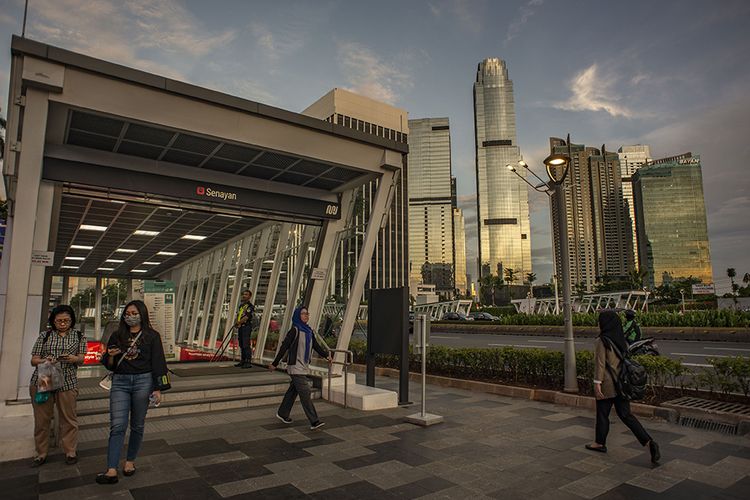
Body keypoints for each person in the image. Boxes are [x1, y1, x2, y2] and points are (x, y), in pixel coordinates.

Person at [96, 300, 171, 484]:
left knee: (137, 425)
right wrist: (110, 357)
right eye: (127, 313)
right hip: (120, 382)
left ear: (142, 314)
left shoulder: (152, 336)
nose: (130, 316)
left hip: (143, 382)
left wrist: (159, 388)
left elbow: (159, 363)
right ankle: (111, 469)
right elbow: (109, 364)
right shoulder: (117, 335)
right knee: (117, 426)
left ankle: (130, 462)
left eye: (134, 313)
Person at [586, 310, 660, 464]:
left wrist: (597, 383)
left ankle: (599, 443)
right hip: (622, 384)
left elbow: (600, 364)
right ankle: (648, 442)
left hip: (608, 384)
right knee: (626, 415)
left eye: (600, 321)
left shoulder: (602, 341)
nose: (598, 323)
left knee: (602, 414)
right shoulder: (621, 339)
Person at [29, 305, 87, 467]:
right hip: (44, 379)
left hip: (68, 381)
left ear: (72, 321)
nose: (62, 323)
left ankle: (70, 451)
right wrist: (45, 361)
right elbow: (33, 360)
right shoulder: (45, 335)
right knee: (42, 419)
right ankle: (41, 453)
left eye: (66, 320)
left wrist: (72, 358)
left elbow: (82, 359)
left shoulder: (79, 335)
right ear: (53, 321)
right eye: (59, 320)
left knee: (69, 418)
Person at [269, 306, 332, 430]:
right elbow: (284, 347)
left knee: (293, 391)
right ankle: (314, 421)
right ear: (298, 315)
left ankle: (282, 413)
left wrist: (326, 356)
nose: (306, 316)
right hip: (295, 367)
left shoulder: (308, 331)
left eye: (307, 314)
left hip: (303, 367)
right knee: (305, 392)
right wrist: (275, 363)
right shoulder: (295, 330)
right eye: (303, 314)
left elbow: (316, 346)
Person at [235, 290, 255, 368]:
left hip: (246, 327)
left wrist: (239, 322)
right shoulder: (241, 306)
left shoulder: (250, 306)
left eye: (246, 294)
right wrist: (237, 323)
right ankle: (242, 360)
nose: (244, 296)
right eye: (243, 294)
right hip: (241, 327)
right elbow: (238, 315)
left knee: (246, 344)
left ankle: (248, 361)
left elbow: (247, 317)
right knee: (241, 344)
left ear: (250, 296)